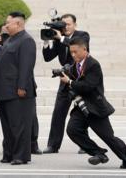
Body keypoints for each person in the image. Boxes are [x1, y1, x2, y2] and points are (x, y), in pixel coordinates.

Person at [61, 37, 126, 169]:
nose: (73, 55)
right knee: (73, 130)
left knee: (108, 137)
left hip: (95, 107)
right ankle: (99, 153)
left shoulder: (93, 64)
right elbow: (73, 86)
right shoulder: (74, 66)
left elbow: (88, 86)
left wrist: (70, 82)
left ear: (84, 49)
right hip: (81, 107)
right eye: (71, 52)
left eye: (75, 52)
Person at [42, 13, 90, 154]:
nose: (66, 27)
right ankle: (53, 145)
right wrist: (46, 41)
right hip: (65, 78)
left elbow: (78, 46)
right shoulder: (59, 39)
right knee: (58, 112)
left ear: (75, 24)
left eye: (69, 24)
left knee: (83, 112)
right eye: (64, 24)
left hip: (80, 78)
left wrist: (61, 38)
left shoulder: (83, 35)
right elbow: (47, 58)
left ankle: (84, 145)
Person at [0, 11, 37, 165]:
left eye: (8, 23)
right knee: (7, 125)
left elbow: (26, 66)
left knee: (19, 125)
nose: (6, 26)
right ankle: (9, 153)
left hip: (18, 91)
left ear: (18, 24)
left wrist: (22, 86)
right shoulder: (9, 41)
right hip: (4, 90)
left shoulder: (26, 40)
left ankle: (20, 155)